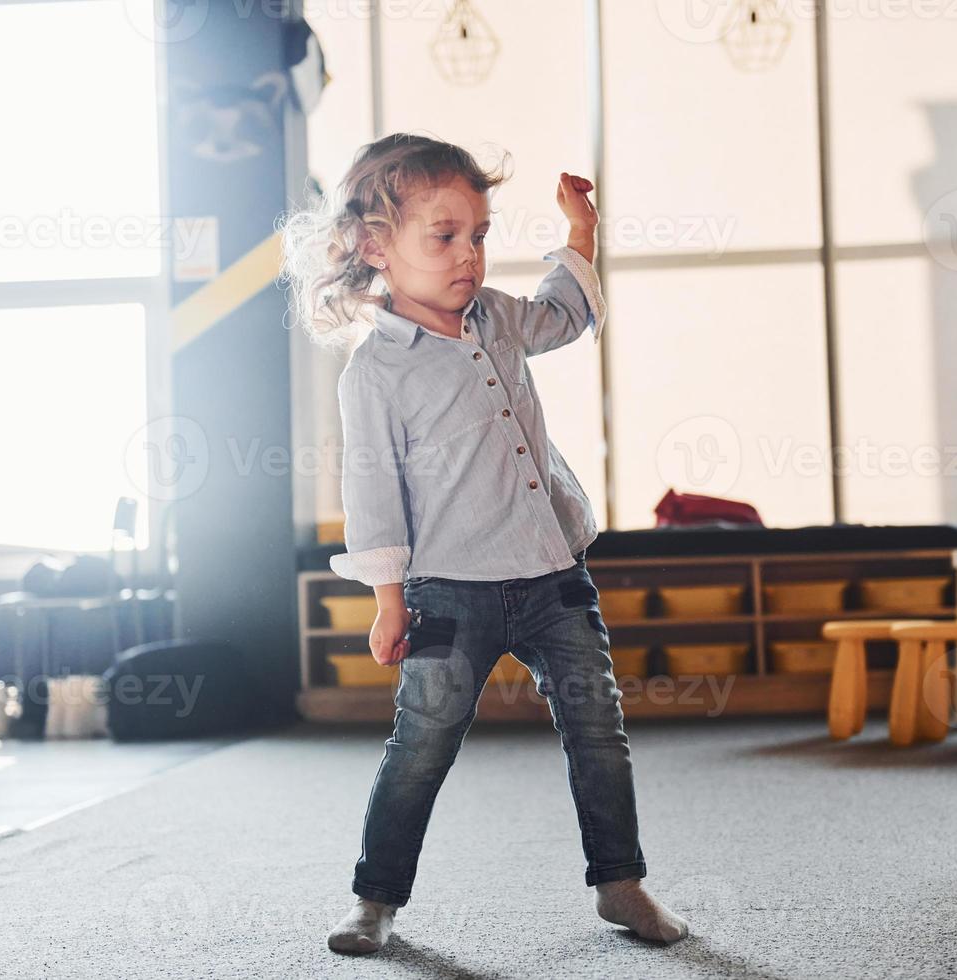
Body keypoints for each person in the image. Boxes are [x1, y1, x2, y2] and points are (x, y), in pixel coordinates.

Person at [280, 133, 690, 955]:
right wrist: (389, 601)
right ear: (374, 246)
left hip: (553, 576)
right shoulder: (375, 373)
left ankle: (621, 883)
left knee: (597, 729)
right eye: (444, 235)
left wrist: (582, 235)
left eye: (479, 233)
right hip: (447, 595)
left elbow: (565, 315)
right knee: (421, 746)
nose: (468, 254)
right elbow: (373, 495)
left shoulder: (497, 317)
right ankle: (375, 900)